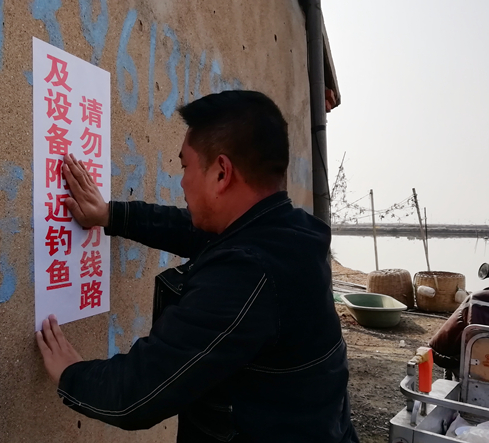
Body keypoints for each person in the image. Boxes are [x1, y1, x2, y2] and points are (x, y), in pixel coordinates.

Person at [36, 90, 358, 442]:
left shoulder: (248, 273)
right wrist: (111, 215)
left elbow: (139, 392)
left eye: (185, 166)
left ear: (221, 173)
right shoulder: (290, 233)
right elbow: (192, 230)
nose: (182, 181)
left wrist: (71, 374)